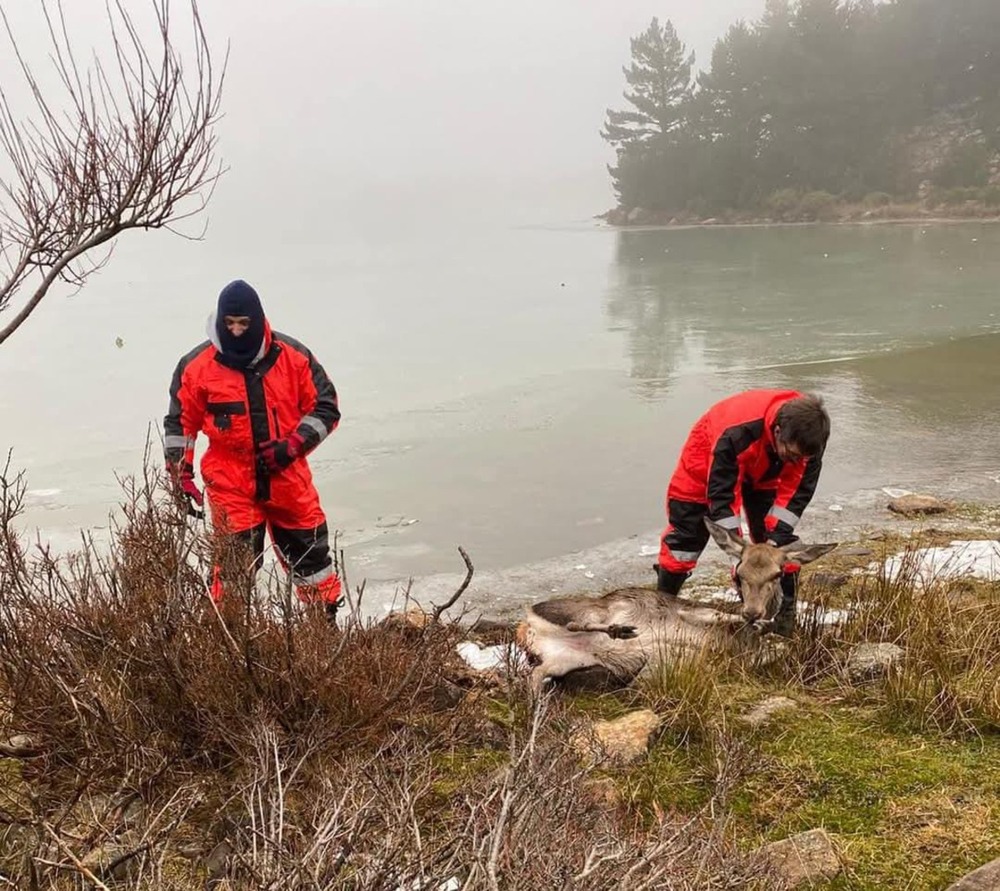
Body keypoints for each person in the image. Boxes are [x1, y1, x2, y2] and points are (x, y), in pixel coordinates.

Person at [163, 279, 343, 619]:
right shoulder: (197, 367)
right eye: (229, 323)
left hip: (287, 475)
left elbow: (326, 408)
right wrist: (179, 474)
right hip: (230, 481)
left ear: (257, 321)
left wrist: (291, 447)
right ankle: (228, 644)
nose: (235, 331)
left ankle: (324, 629)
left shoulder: (293, 357)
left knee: (313, 561)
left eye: (243, 324)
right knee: (233, 571)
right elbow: (180, 424)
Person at [655, 389, 830, 630]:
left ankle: (784, 617)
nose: (795, 460)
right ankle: (662, 609)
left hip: (767, 470)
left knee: (778, 542)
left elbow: (798, 490)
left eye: (800, 457)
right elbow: (722, 496)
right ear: (777, 432)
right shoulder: (736, 433)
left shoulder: (810, 440)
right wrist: (738, 554)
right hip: (706, 462)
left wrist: (776, 538)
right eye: (791, 453)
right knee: (685, 541)